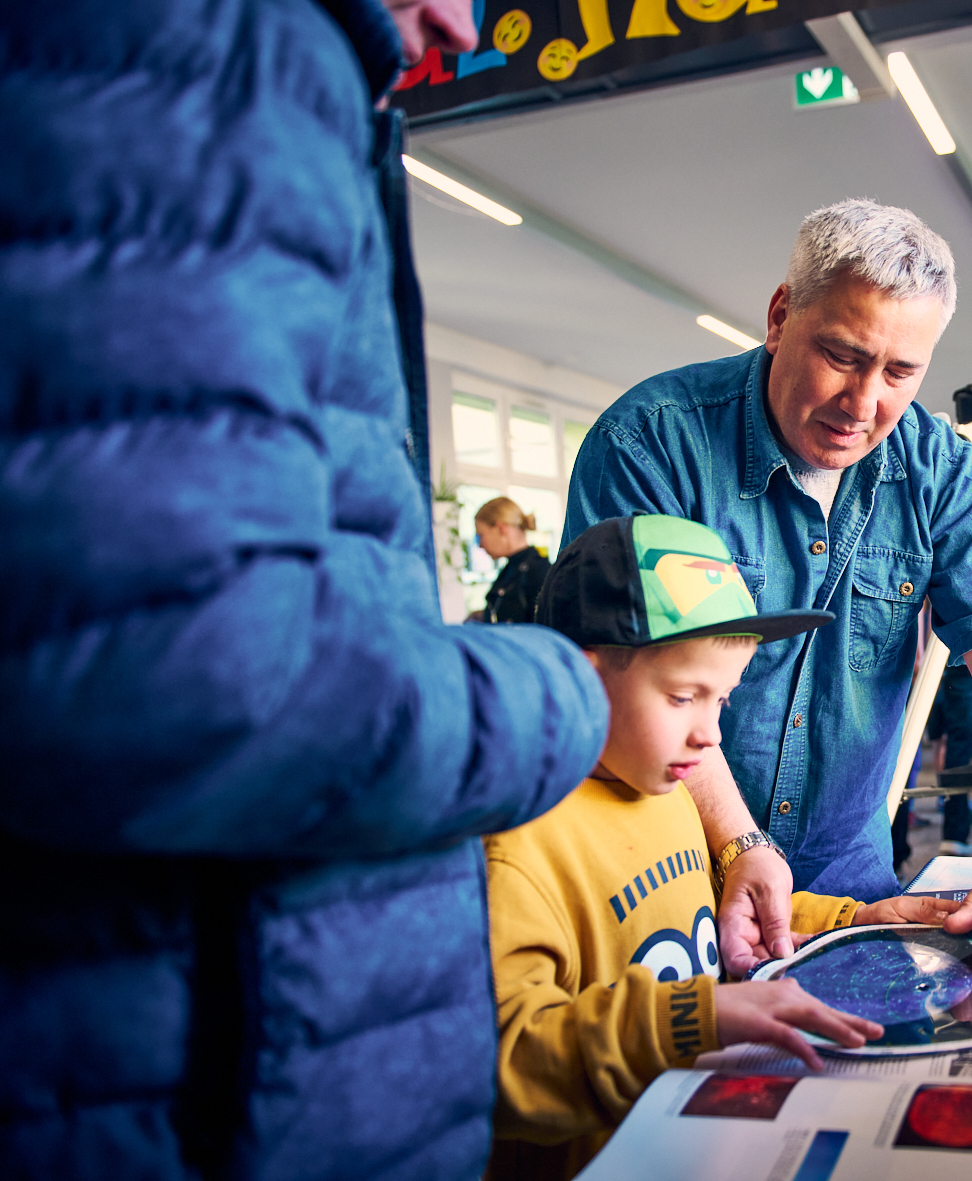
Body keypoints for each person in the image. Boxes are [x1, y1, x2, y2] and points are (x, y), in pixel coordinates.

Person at [0, 2, 608, 1178]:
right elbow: (191, 679)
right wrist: (559, 697)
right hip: (199, 1082)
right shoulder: (225, 45)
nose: (461, 22)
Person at [565, 198, 972, 985]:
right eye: (843, 356)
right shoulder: (652, 441)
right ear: (781, 315)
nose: (864, 405)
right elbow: (637, 677)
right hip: (672, 884)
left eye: (900, 372)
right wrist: (738, 842)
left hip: (850, 888)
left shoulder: (938, 468)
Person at [484, 515, 954, 1179]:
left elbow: (706, 921)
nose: (710, 736)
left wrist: (853, 921)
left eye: (723, 701)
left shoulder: (661, 784)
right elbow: (504, 1063)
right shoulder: (515, 844)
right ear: (583, 681)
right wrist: (696, 1017)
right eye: (683, 696)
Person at [475, 495, 551, 623]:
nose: (480, 545)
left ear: (501, 528)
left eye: (480, 536)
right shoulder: (513, 569)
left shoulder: (537, 571)